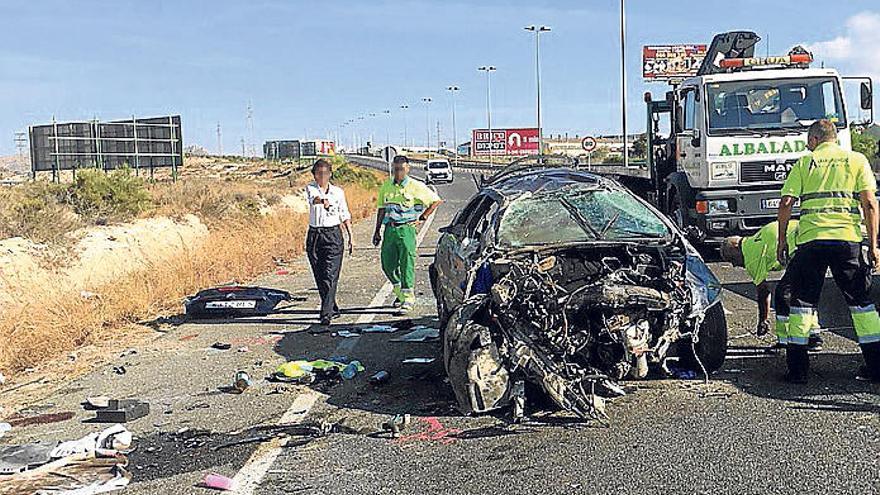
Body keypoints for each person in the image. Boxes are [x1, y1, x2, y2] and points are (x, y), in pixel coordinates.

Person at [777, 119, 880, 383]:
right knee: (861, 303)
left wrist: (782, 241)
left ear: (813, 140)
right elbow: (869, 202)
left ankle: (798, 370)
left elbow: (786, 202)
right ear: (835, 138)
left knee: (802, 304)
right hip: (847, 240)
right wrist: (874, 244)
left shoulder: (805, 162)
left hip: (811, 241)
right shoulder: (856, 160)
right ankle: (876, 366)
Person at [720, 220, 823, 350]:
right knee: (804, 293)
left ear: (736, 246)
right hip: (813, 238)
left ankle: (785, 341)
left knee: (783, 295)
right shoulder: (756, 239)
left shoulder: (750, 255)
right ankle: (813, 336)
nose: (735, 265)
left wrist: (763, 320)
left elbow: (763, 292)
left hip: (802, 248)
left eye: (732, 259)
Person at [372, 155, 442, 313]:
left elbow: (436, 201)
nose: (398, 173)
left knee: (406, 264)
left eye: (402, 169)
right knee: (387, 264)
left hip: (407, 230)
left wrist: (423, 217)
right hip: (390, 229)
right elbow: (382, 208)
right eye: (396, 169)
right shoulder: (386, 186)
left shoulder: (415, 186)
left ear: (407, 169)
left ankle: (408, 299)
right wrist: (377, 230)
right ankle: (400, 293)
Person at [305, 158, 353, 326]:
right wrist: (322, 201)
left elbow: (344, 213)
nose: (322, 177)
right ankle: (332, 305)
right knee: (319, 274)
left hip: (332, 234)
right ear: (314, 174)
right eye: (319, 173)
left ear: (330, 174)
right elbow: (314, 198)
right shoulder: (311, 188)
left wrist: (350, 236)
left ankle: (326, 314)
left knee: (330, 274)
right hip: (315, 235)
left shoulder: (338, 192)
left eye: (325, 173)